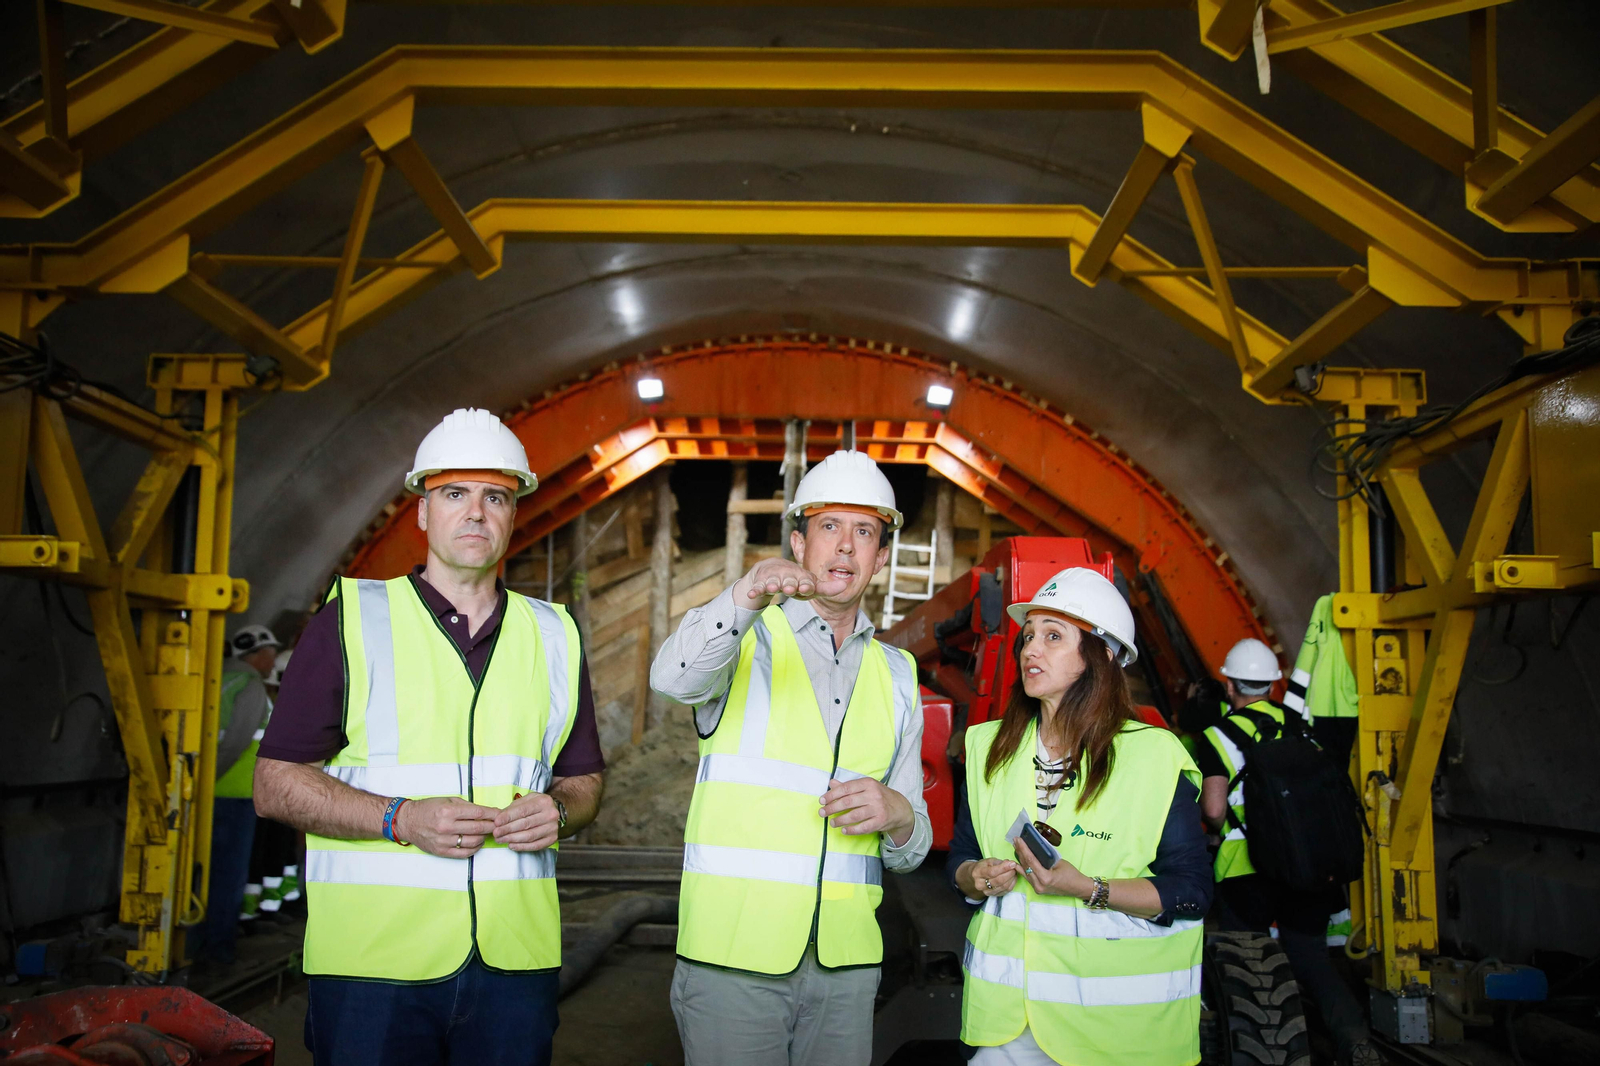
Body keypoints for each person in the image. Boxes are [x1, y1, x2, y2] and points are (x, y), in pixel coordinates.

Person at [253, 408, 607, 1066]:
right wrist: (400, 818)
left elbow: (584, 780)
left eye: (494, 496)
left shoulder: (555, 635)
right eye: (454, 493)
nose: (475, 512)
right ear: (421, 512)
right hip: (373, 967)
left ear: (513, 513)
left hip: (514, 964)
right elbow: (275, 785)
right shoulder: (350, 623)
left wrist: (560, 810)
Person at [651, 449, 929, 1066]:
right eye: (830, 527)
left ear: (882, 557)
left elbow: (911, 847)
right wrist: (745, 594)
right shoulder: (744, 637)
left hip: (846, 970)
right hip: (733, 962)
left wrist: (899, 814)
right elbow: (671, 677)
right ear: (800, 544)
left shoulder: (899, 675)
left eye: (865, 533)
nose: (847, 549)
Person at [948, 567, 1212, 1066]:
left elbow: (1193, 894)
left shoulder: (1154, 757)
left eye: (1053, 636)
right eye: (1029, 636)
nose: (1031, 650)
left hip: (1118, 1033)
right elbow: (961, 859)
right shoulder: (988, 748)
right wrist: (974, 877)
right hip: (1008, 1027)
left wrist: (1089, 888)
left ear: (1103, 656)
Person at [1194, 638, 1378, 1066]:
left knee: (1246, 962)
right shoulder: (1302, 726)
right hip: (1309, 863)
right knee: (1311, 956)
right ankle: (1353, 1039)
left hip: (1246, 869)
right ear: (1273, 686)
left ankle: (1260, 1050)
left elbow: (1216, 811)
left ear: (1229, 686)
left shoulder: (1216, 736)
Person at [195, 624, 279, 965]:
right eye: (270, 654)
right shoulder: (250, 686)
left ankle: (193, 944)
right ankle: (216, 951)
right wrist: (209, 780)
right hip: (233, 795)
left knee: (200, 873)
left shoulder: (214, 678)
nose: (272, 661)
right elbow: (237, 742)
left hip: (203, 794)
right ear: (257, 656)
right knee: (227, 877)